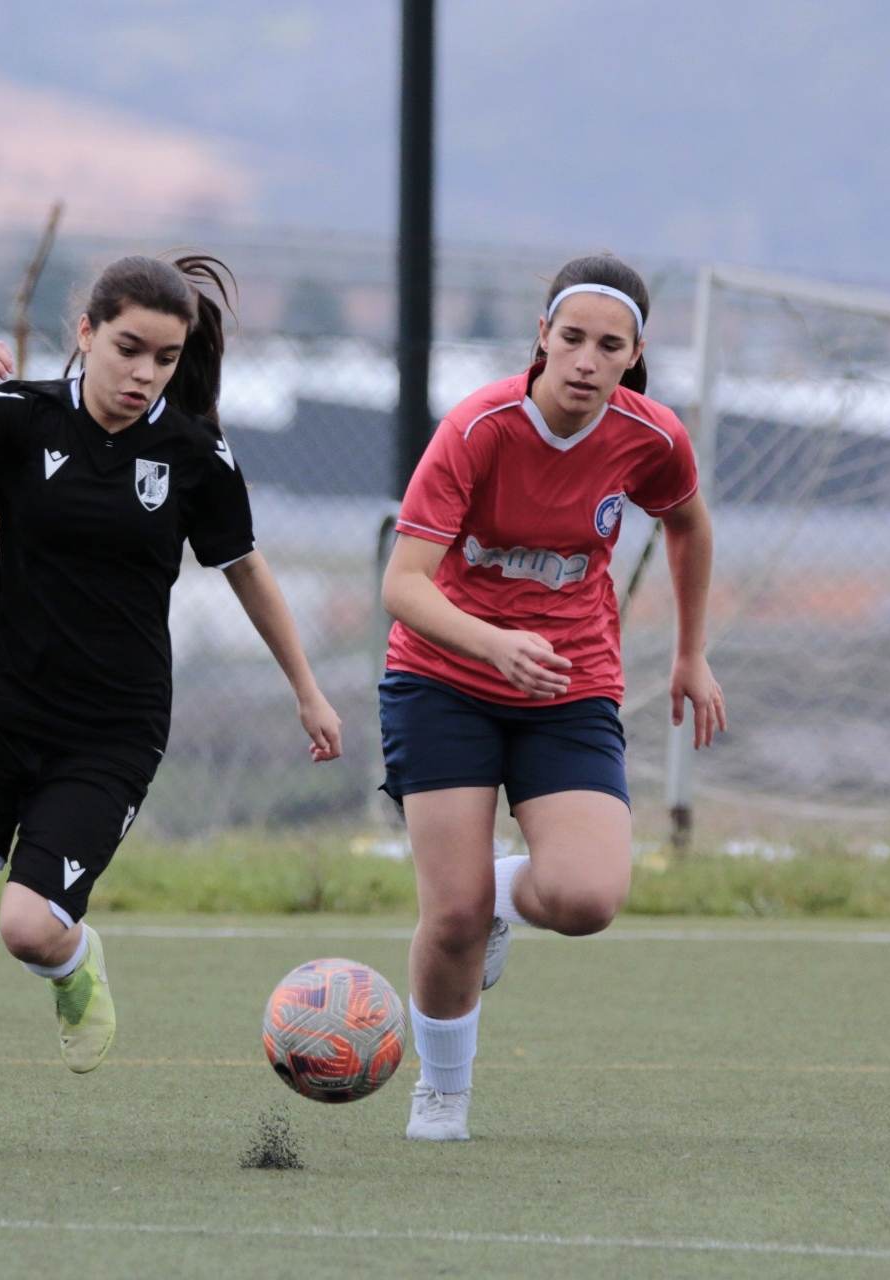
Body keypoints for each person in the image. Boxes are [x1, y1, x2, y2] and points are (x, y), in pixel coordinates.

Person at [0, 254, 342, 1152]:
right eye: (130, 349)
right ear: (87, 333)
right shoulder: (20, 417)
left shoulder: (193, 451)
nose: (144, 375)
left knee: (28, 929)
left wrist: (307, 690)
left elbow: (246, 570)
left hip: (109, 732)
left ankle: (75, 961)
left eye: (166, 359)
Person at [379, 253, 724, 1141]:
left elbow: (686, 522)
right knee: (446, 916)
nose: (585, 359)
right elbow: (404, 585)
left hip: (569, 687)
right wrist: (494, 644)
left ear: (633, 356)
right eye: (570, 338)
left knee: (586, 900)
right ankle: (443, 1094)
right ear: (541, 337)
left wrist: (691, 654)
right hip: (443, 678)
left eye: (609, 346)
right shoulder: (477, 427)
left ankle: (501, 894)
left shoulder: (651, 436)